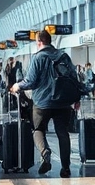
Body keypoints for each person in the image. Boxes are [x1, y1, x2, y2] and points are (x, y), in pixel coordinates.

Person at [11, 31, 82, 177]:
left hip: (42, 102)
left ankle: (45, 153)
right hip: (63, 102)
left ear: (39, 42)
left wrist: (17, 85)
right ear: (50, 41)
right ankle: (66, 168)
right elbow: (74, 78)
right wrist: (76, 98)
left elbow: (31, 81)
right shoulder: (63, 56)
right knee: (62, 133)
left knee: (38, 129)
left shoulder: (38, 57)